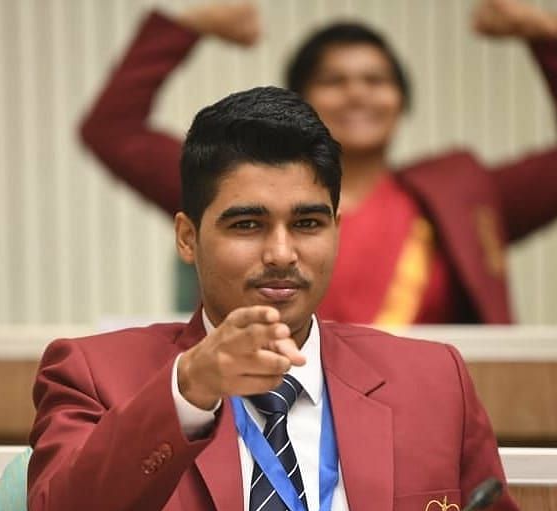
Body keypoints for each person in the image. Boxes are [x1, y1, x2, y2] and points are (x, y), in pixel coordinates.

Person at [29, 86, 557, 511]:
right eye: (247, 224)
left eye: (307, 224)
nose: (282, 254)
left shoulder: (432, 380)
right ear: (188, 238)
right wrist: (188, 392)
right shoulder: (96, 372)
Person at [79, 0, 557, 323]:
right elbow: (112, 130)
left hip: (420, 422)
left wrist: (545, 35)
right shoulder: (238, 184)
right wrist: (188, 27)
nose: (357, 93)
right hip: (267, 415)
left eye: (376, 80)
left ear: (402, 99)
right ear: (298, 99)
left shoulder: (459, 195)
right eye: (334, 80)